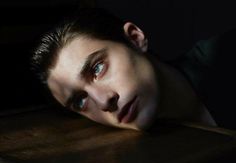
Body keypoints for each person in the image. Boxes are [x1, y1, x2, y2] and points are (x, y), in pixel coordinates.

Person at [32, 7, 236, 132]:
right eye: (80, 100)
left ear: (135, 38)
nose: (104, 101)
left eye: (98, 68)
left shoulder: (226, 54)